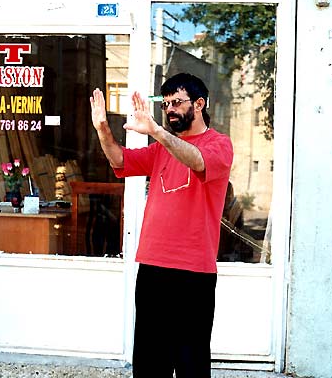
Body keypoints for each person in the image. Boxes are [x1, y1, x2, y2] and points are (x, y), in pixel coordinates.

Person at [89, 72, 233, 377]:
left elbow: (197, 161)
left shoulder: (219, 144)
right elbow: (119, 160)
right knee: (150, 362)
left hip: (194, 272)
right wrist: (102, 129)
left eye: (177, 102)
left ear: (199, 104)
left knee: (190, 361)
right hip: (153, 266)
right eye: (165, 103)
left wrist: (157, 132)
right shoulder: (160, 150)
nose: (170, 109)